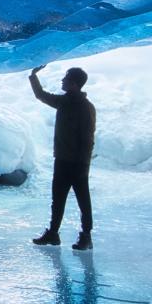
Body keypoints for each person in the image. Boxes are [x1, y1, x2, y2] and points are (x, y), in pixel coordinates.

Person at [29, 65, 96, 250]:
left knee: (83, 201)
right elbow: (41, 95)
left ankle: (86, 236)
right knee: (57, 199)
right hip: (62, 160)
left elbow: (88, 139)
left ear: (73, 84)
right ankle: (53, 234)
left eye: (66, 78)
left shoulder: (85, 108)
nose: (62, 81)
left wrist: (83, 164)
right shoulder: (64, 102)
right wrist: (33, 76)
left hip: (77, 163)